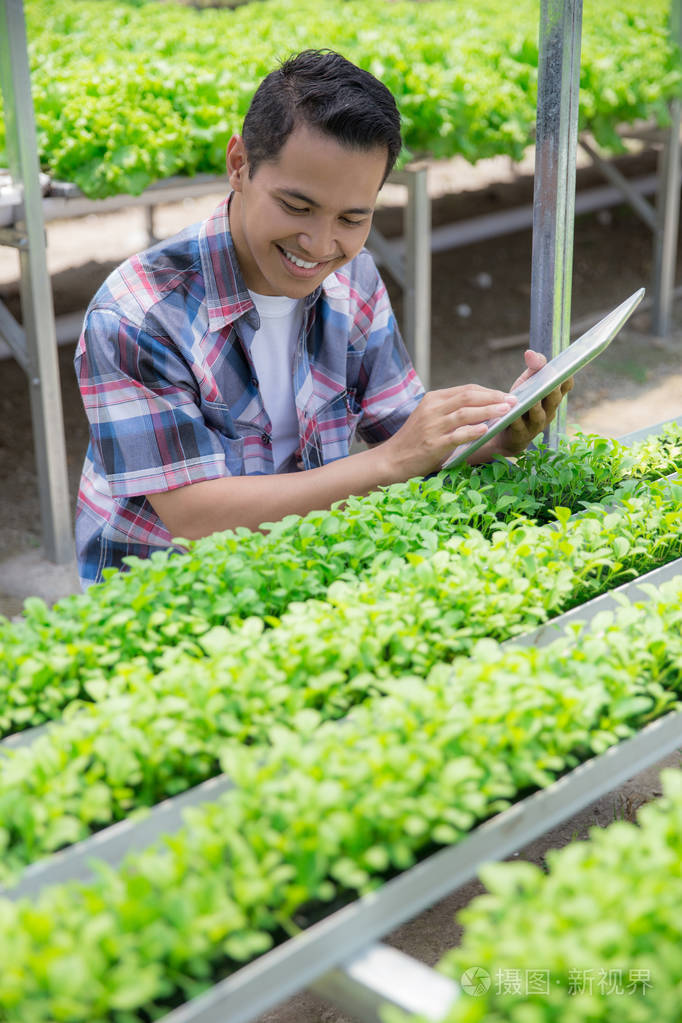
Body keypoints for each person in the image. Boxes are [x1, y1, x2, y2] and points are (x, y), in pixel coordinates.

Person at [74, 48, 571, 588]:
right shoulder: (138, 314)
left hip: (300, 559)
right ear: (239, 164)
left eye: (353, 218)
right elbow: (195, 517)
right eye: (296, 207)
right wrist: (393, 461)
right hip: (158, 587)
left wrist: (484, 436)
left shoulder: (353, 279)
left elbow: (398, 431)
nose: (319, 244)